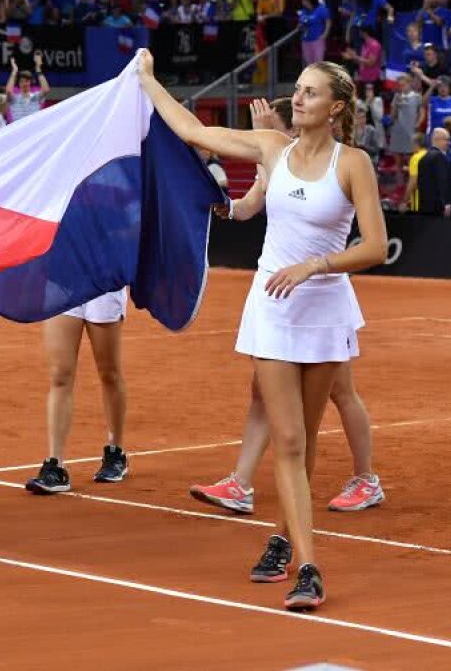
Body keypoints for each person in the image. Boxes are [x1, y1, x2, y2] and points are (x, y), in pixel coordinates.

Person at [137, 50, 387, 612]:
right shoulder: (272, 147)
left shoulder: (354, 164)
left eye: (310, 93)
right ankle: (309, 566)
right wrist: (148, 80)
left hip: (324, 310)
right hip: (273, 309)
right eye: (297, 89)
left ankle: (281, 537)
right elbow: (191, 128)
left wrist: (314, 266)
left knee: (306, 441)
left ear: (336, 107)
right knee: (290, 440)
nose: (297, 98)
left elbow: (374, 247)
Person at [190, 98, 383, 517]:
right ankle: (240, 483)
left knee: (341, 392)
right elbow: (245, 208)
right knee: (262, 391)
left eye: (276, 126)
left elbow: (374, 245)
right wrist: (223, 205)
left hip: (324, 306)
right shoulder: (277, 161)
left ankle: (366, 479)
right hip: (282, 303)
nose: (279, 132)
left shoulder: (332, 163)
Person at [24, 286, 130, 495]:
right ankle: (55, 466)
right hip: (63, 280)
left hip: (103, 282)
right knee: (60, 375)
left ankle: (115, 451)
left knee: (109, 373)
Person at [416, 127, 451, 217]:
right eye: (447, 140)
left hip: (424, 206)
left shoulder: (423, 158)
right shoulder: (439, 157)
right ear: (438, 140)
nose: (449, 143)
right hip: (438, 208)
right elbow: (442, 180)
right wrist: (446, 203)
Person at [4, 53, 50, 122]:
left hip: (33, 129)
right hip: (18, 130)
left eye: (27, 81)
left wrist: (38, 69)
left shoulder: (35, 97)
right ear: (18, 84)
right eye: (22, 81)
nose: (24, 83)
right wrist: (14, 71)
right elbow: (8, 91)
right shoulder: (14, 99)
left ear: (30, 82)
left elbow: (46, 90)